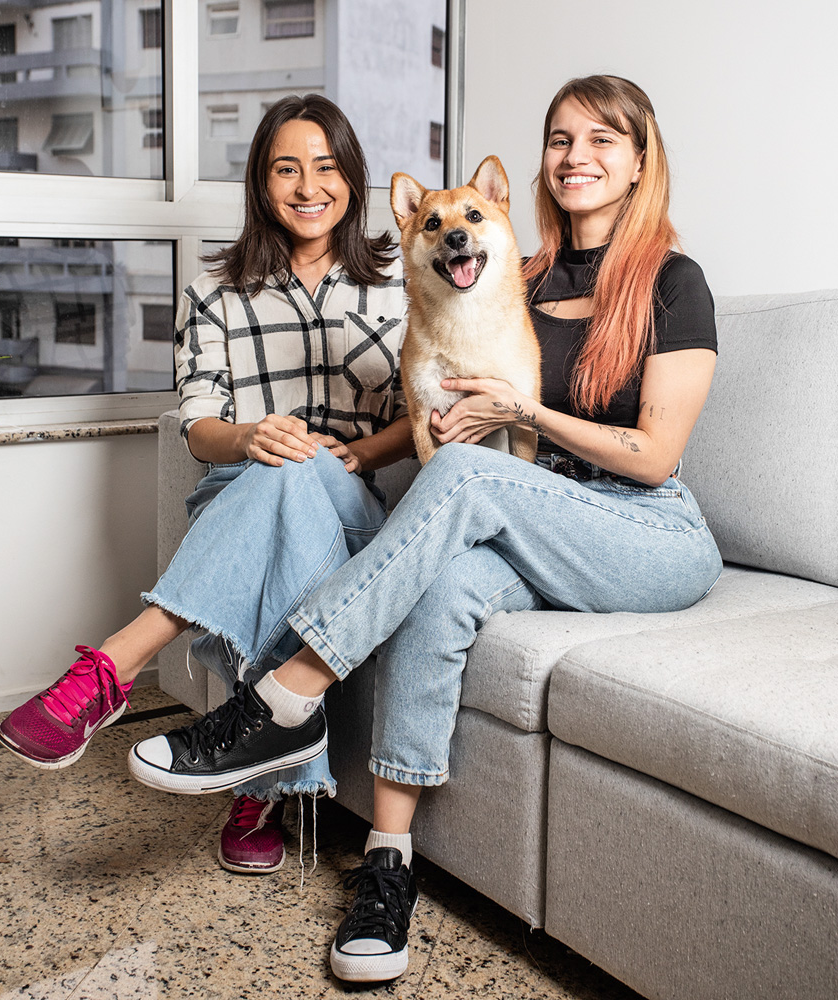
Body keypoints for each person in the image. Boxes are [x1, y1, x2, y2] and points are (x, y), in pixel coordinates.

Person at [125, 74, 723, 982]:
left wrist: (520, 411)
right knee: (433, 586)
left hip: (644, 527)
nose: (577, 158)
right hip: (528, 511)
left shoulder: (674, 282)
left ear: (642, 162)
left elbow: (649, 452)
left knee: (469, 478)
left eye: (603, 141)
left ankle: (281, 696)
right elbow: (442, 391)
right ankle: (388, 865)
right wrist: (410, 433)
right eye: (561, 140)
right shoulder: (503, 273)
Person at [0, 94, 413, 876]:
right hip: (244, 496)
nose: (307, 185)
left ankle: (113, 666)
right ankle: (267, 781)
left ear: (352, 178)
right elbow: (197, 426)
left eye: (325, 166)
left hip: (355, 510)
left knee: (303, 471)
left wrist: (351, 458)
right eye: (285, 168)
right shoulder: (215, 293)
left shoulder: (398, 285)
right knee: (280, 475)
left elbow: (419, 418)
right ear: (260, 183)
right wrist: (253, 436)